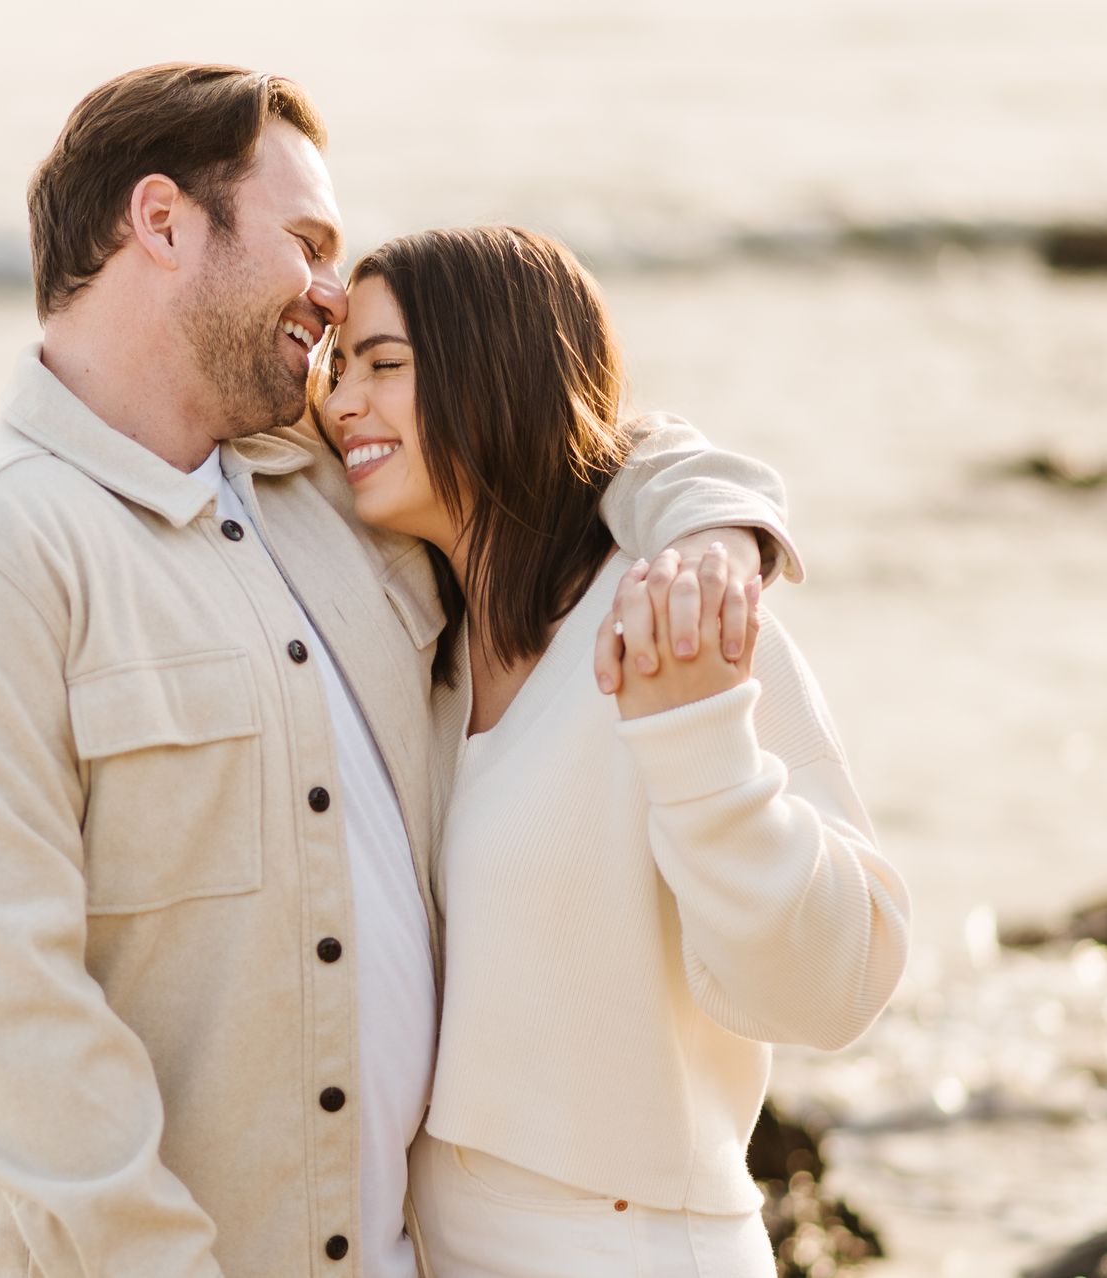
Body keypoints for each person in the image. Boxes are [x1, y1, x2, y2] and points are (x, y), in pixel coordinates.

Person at [0, 65, 800, 1277]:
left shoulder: (332, 489)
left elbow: (572, 437)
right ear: (166, 223)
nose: (334, 294)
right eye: (307, 242)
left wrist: (716, 526)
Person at [315, 225, 910, 1278]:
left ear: (493, 374)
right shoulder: (427, 655)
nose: (340, 401)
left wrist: (703, 758)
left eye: (384, 365)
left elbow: (841, 978)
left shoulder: (673, 618)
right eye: (337, 365)